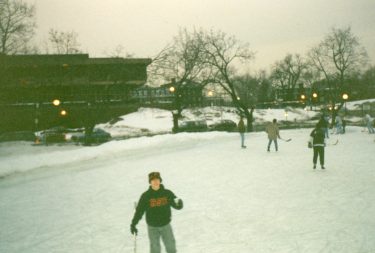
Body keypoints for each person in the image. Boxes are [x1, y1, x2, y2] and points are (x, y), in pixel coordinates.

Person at [131, 172, 183, 253]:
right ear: (150, 182)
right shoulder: (146, 196)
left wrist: (179, 204)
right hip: (152, 227)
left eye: (157, 179)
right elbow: (139, 211)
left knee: (171, 247)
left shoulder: (167, 193)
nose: (155, 182)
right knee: (155, 249)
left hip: (165, 225)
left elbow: (176, 204)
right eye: (153, 180)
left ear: (160, 180)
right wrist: (133, 224)